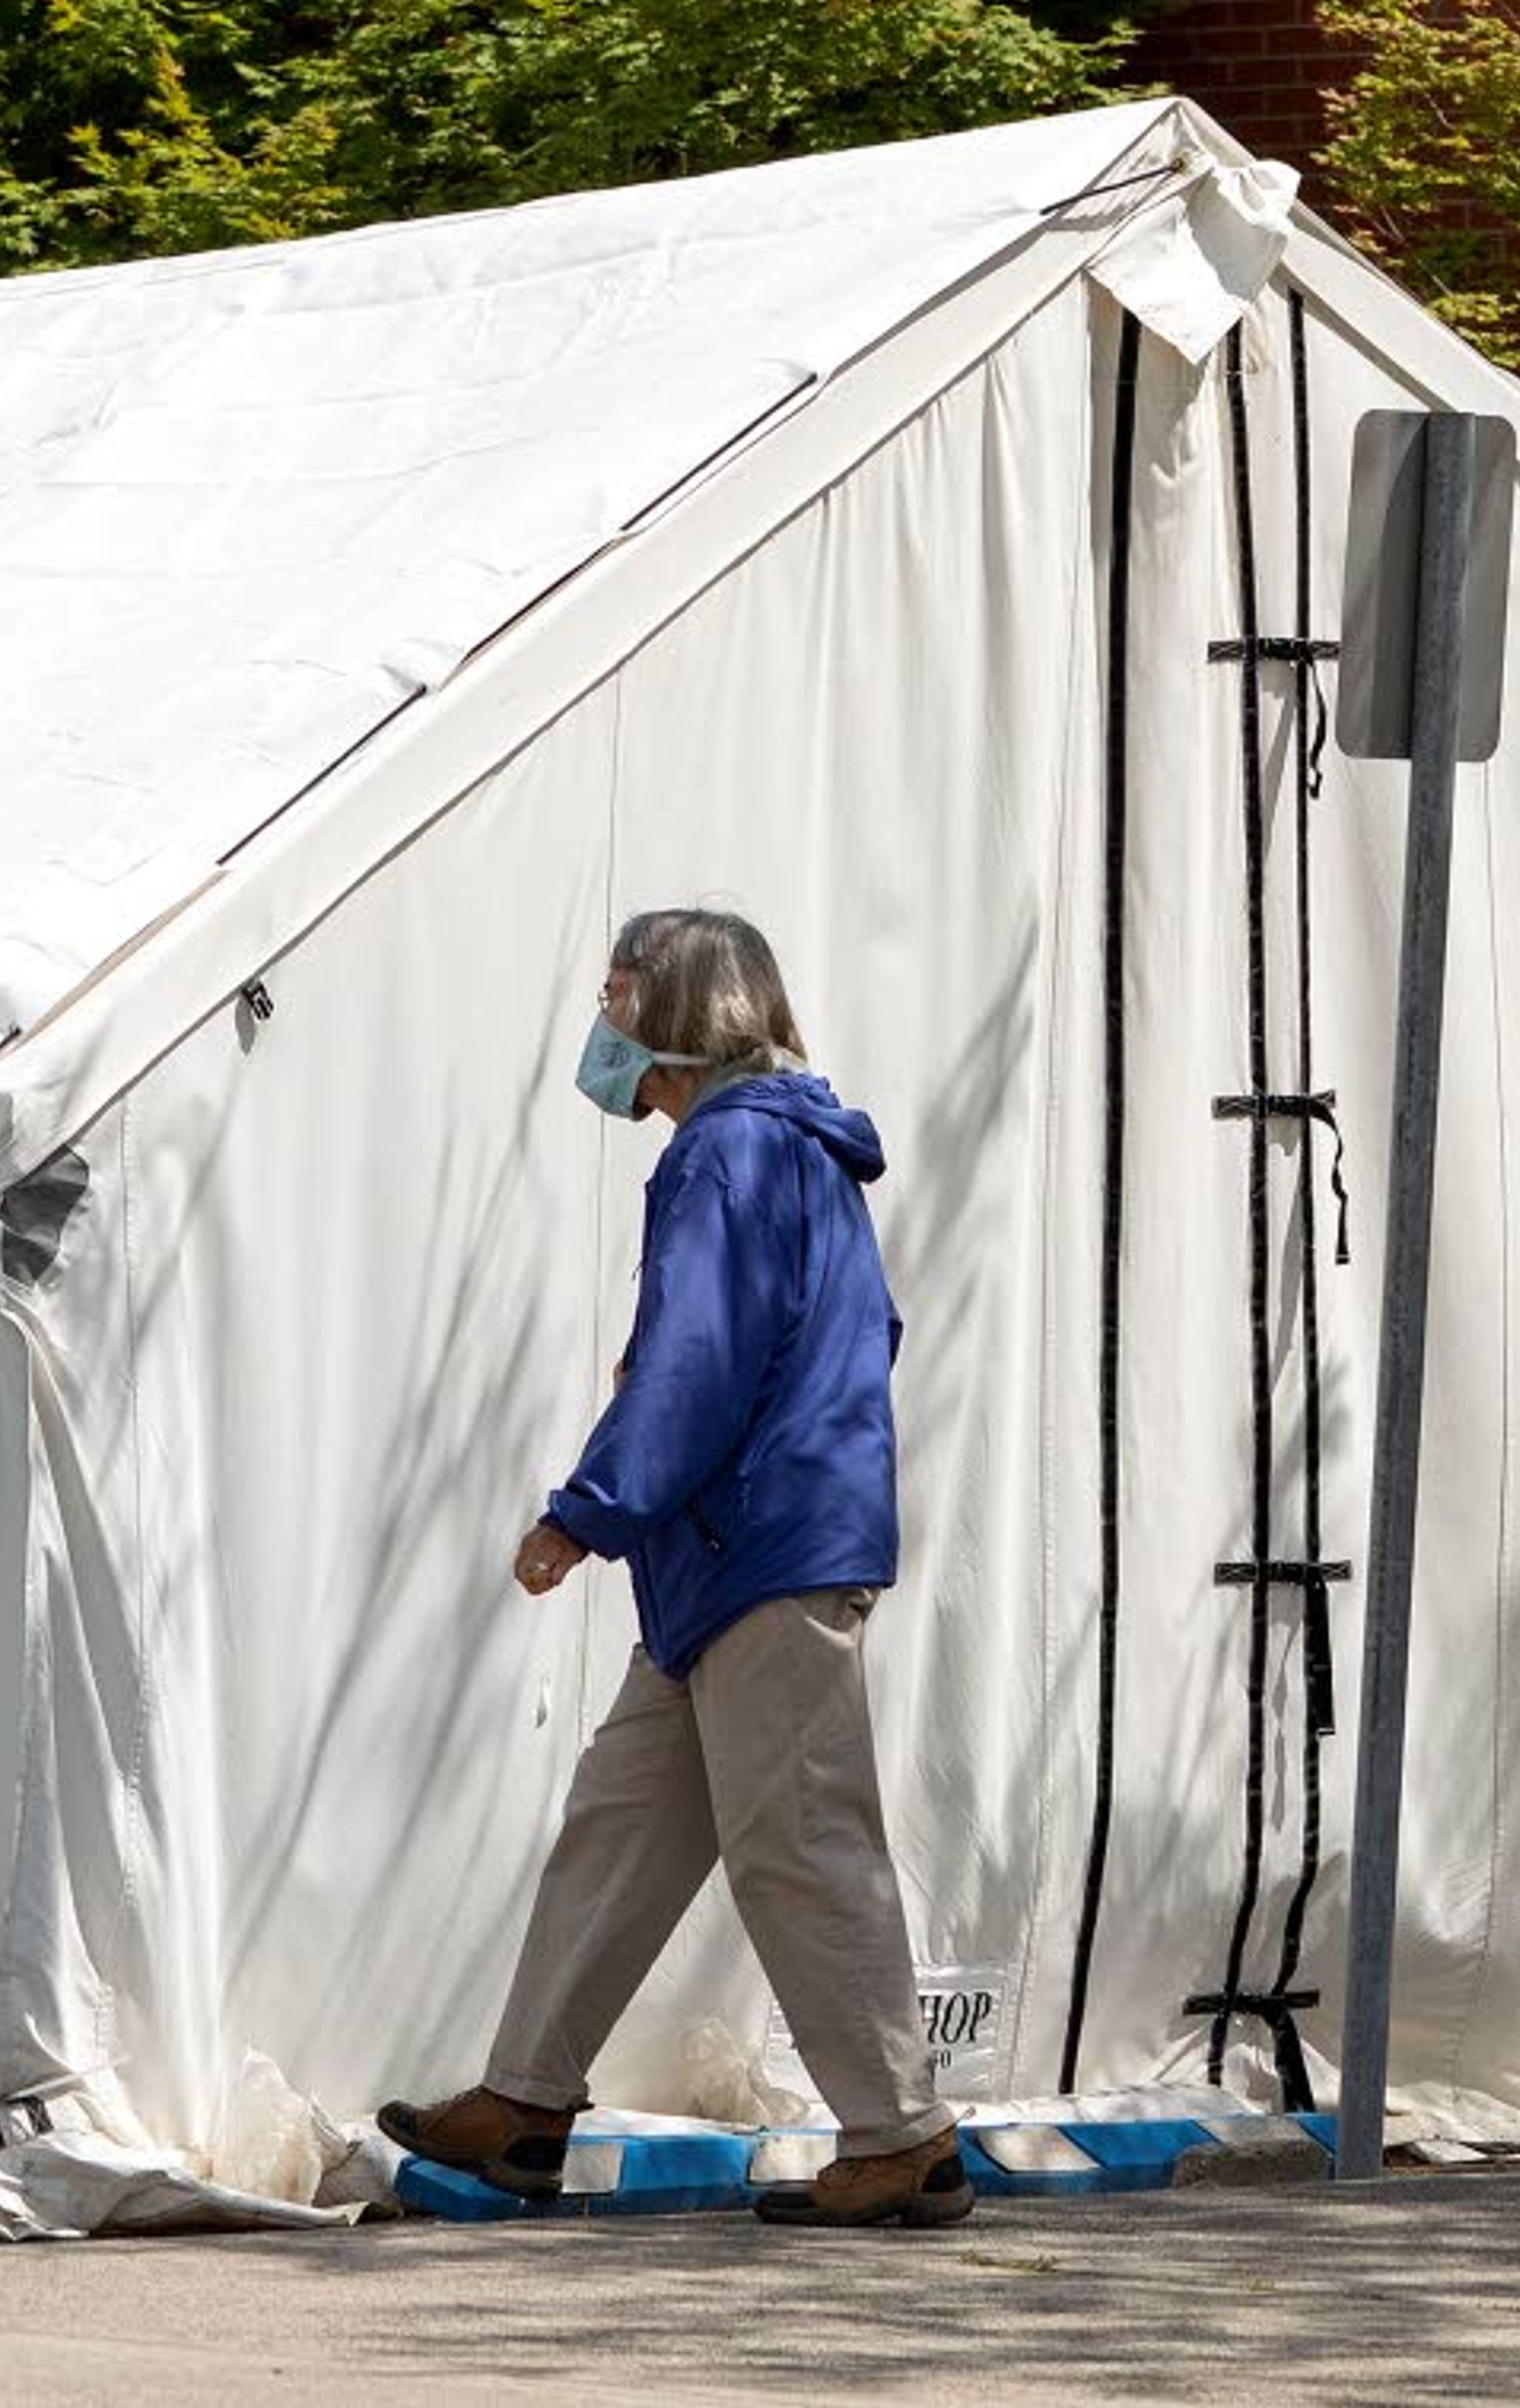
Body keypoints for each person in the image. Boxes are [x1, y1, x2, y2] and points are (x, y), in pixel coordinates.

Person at [379, 909, 969, 2231]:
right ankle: (525, 2102)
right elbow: (852, 1333)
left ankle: (901, 2136)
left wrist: (586, 1511)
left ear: (672, 1018)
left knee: (801, 1844)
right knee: (620, 1827)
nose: (602, 1027)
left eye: (616, 998)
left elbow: (694, 1365)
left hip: (752, 1549)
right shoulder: (796, 1151)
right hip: (729, 1557)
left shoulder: (723, 1157)